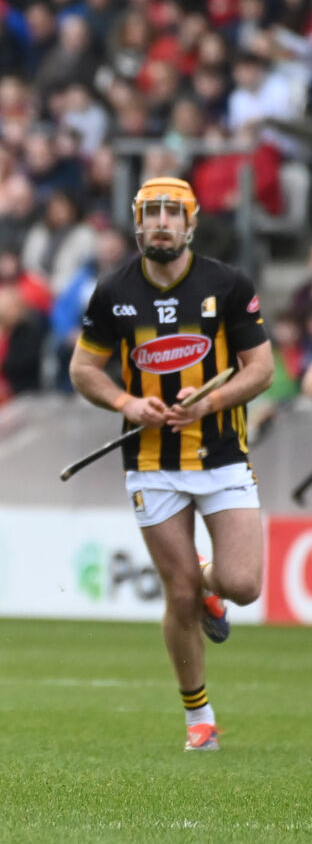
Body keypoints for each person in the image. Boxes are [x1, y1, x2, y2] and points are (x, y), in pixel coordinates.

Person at [68, 177, 272, 753]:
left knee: (242, 584)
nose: (161, 221)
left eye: (172, 212)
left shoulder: (227, 285)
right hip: (151, 461)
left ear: (191, 222)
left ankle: (211, 582)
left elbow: (260, 370)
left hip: (223, 454)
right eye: (151, 211)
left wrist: (209, 403)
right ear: (137, 222)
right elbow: (84, 370)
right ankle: (199, 718)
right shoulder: (113, 292)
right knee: (178, 593)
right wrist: (128, 403)